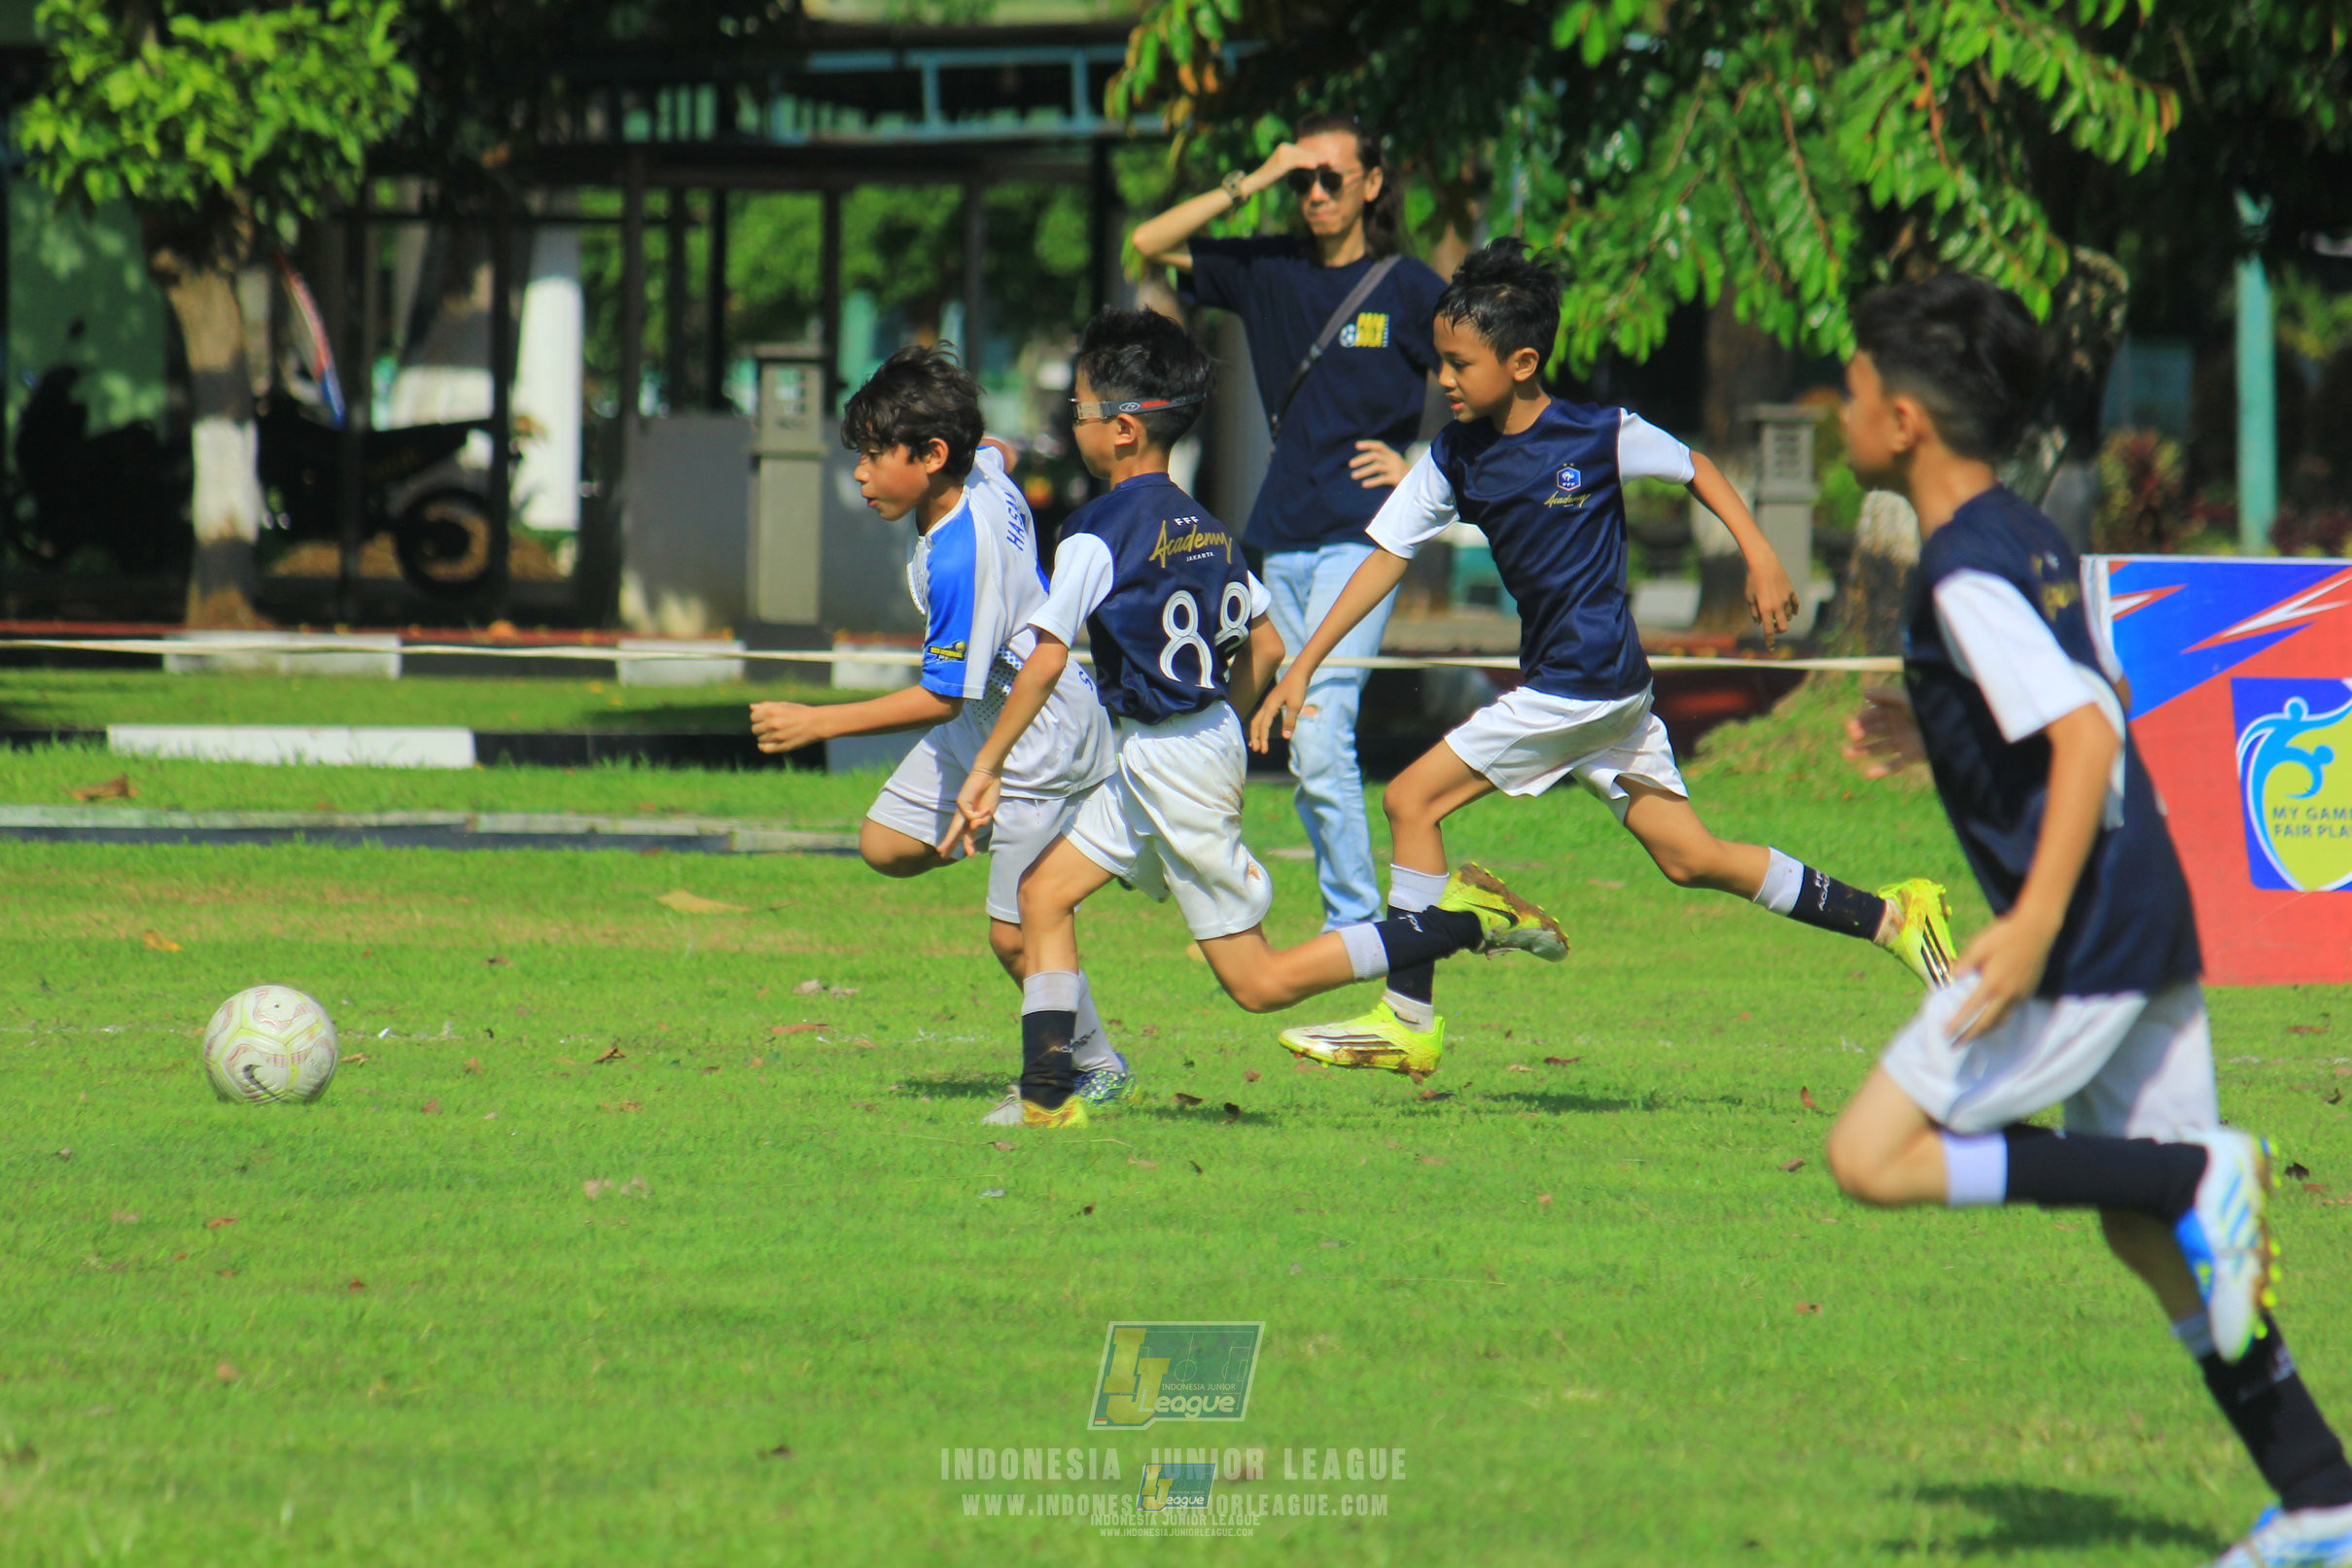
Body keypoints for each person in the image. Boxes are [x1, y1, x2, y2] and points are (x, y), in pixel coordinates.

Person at [1825, 274, 2352, 1568]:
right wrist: (1930, 722)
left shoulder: (1956, 567)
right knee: (2134, 1228)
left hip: (2078, 934)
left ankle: (2201, 1170)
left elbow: (2078, 728)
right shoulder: (2027, 531)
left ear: (1899, 420)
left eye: (1843, 389)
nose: (1832, 409)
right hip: (2142, 906)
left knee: (1869, 1154)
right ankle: (2320, 1499)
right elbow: (2073, 697)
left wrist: (2032, 918)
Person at [1251, 240, 1955, 1079]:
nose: (1440, 378)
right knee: (1690, 856)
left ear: (1521, 362)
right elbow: (1384, 558)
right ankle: (1894, 915)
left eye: (1457, 363)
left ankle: (1410, 1017)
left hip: (1578, 685)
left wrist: (1761, 554)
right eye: (1437, 360)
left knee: (1410, 798)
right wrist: (1302, 664)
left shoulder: (1596, 433)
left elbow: (1694, 466)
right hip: (1601, 695)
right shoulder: (1452, 456)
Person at [940, 308, 1566, 1130]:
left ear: (1123, 430)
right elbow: (1266, 643)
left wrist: (984, 767)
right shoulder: (1208, 528)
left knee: (1256, 982)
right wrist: (1225, 724)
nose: (1073, 425)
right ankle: (1049, 1096)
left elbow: (1049, 657)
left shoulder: (1094, 532)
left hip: (1171, 759)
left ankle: (1463, 922)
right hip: (1172, 751)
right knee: (1042, 896)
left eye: (1081, 412)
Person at [747, 346, 1130, 1105]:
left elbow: (940, 696)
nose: (859, 474)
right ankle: (1016, 842)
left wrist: (817, 721)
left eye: (871, 457)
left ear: (930, 455)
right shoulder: (979, 467)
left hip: (1033, 736)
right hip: (993, 715)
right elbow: (991, 445)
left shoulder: (960, 558)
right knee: (885, 844)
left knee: (1016, 935)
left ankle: (1094, 1065)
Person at [1132, 111, 1447, 934]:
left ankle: (1356, 929)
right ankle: (1320, 919)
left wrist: (1423, 467)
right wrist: (1256, 178)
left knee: (1316, 735)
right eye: (1303, 181)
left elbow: (1488, 375)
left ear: (1371, 185)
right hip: (1283, 534)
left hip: (1365, 537)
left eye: (1329, 178)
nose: (1314, 193)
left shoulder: (1409, 286)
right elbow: (1148, 239)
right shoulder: (1266, 268)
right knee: (1289, 733)